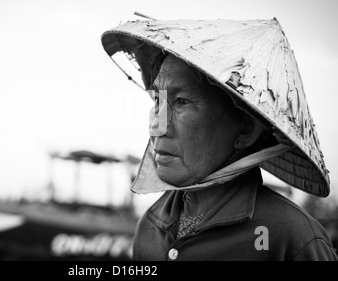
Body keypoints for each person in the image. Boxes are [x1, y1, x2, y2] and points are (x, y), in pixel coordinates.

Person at [101, 17, 337, 261]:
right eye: (158, 101)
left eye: (181, 102)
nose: (156, 127)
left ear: (245, 129)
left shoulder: (290, 239)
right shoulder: (150, 227)